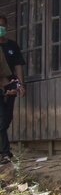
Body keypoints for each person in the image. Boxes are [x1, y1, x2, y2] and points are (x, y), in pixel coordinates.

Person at [0, 14, 26, 165]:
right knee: (1, 118)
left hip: (9, 83)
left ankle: (5, 152)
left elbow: (17, 66)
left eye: (2, 25)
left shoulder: (11, 46)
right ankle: (5, 153)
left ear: (6, 27)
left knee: (7, 117)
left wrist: (20, 84)